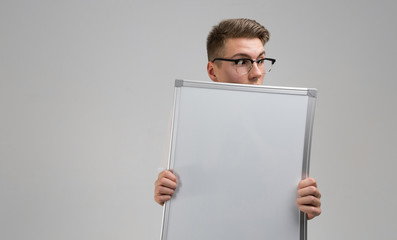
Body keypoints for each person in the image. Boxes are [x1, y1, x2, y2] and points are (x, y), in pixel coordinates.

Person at [154, 18, 321, 220]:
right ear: (212, 71)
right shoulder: (187, 118)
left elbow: (285, 198)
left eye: (260, 60)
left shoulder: (285, 122)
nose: (257, 73)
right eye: (242, 62)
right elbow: (172, 193)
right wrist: (163, 189)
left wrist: (304, 205)